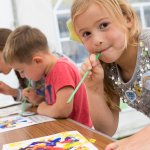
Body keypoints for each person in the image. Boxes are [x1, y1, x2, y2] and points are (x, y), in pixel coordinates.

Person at [68, 0, 150, 149]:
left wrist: (134, 141)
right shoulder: (107, 69)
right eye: (86, 34)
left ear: (127, 19)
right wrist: (94, 90)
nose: (97, 40)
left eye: (104, 25)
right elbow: (106, 130)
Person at [2, 25, 92, 127]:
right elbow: (54, 103)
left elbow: (62, 110)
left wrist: (42, 109)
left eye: (22, 71)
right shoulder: (49, 72)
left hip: (80, 133)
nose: (22, 76)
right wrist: (37, 99)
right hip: (66, 130)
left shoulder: (61, 69)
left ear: (37, 61)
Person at [0, 28, 45, 104]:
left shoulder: (39, 64)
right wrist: (12, 92)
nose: (22, 74)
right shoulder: (20, 68)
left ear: (8, 51)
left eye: (22, 71)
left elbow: (49, 99)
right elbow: (31, 98)